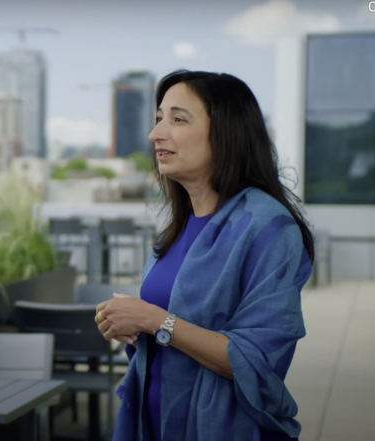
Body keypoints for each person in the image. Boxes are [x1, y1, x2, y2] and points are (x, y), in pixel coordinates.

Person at [94, 70, 314, 441]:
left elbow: (256, 361)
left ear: (226, 132)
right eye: (158, 118)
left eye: (178, 119)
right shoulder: (176, 228)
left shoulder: (269, 228)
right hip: (154, 424)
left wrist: (154, 320)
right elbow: (163, 338)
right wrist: (128, 325)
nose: (156, 134)